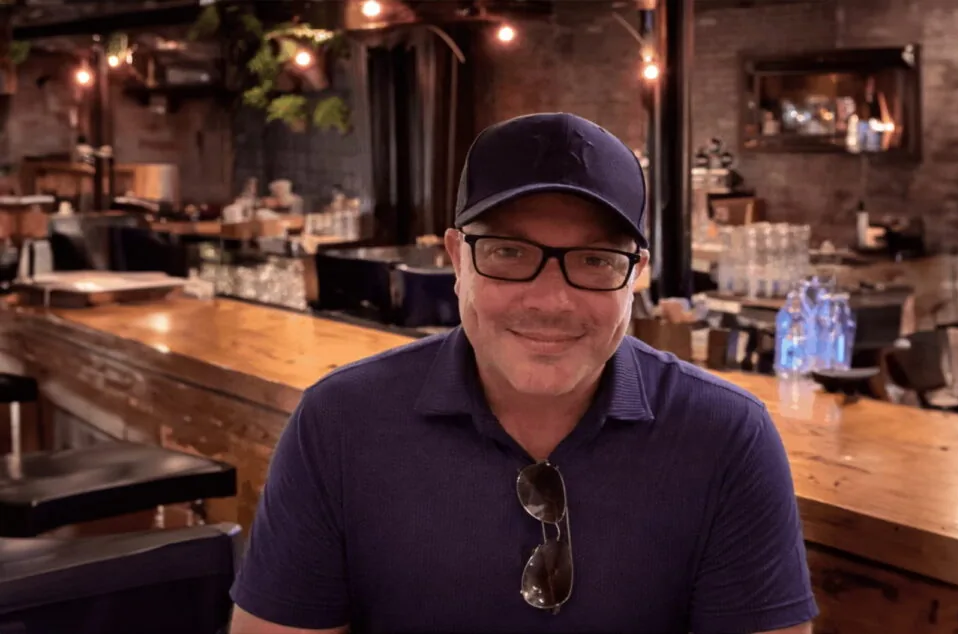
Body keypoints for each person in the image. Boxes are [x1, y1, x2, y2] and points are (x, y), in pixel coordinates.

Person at [229, 112, 817, 634]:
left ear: (636, 274)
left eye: (595, 259)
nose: (551, 301)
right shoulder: (341, 422)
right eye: (509, 253)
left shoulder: (725, 436)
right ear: (457, 258)